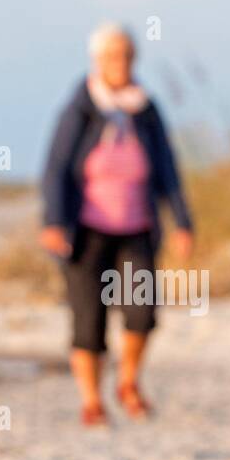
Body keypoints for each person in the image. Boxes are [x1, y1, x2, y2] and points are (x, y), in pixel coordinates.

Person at [41, 23, 193, 425]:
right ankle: (91, 401)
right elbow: (56, 167)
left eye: (126, 55)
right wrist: (54, 221)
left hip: (136, 227)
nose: (120, 63)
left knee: (141, 312)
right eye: (111, 56)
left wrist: (182, 222)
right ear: (97, 61)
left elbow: (168, 168)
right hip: (85, 231)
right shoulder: (79, 108)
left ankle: (128, 382)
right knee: (88, 319)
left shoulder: (146, 109)